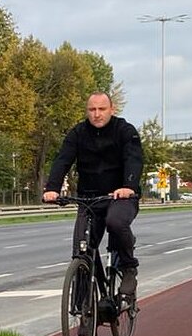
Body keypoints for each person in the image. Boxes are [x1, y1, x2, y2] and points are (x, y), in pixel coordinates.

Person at [42, 92, 144, 297]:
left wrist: (128, 186)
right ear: (87, 111)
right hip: (89, 198)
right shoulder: (78, 133)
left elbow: (134, 159)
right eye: (92, 109)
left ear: (111, 110)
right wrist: (52, 188)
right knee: (81, 250)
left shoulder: (125, 131)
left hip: (120, 197)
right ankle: (82, 310)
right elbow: (63, 160)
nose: (96, 114)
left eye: (101, 109)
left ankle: (129, 268)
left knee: (115, 223)